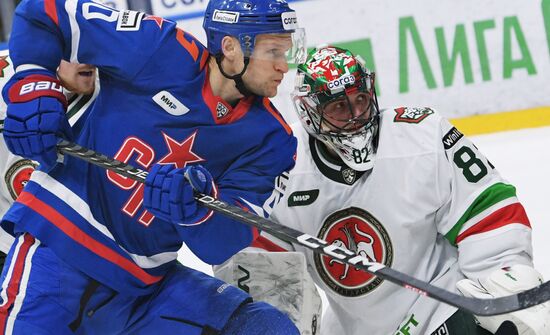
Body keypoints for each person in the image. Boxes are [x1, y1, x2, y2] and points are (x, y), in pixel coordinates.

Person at [0, 0, 305, 333]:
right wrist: (33, 83)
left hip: (143, 290)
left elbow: (223, 243)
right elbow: (42, 12)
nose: (283, 67)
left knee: (263, 329)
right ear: (231, 47)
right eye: (273, 52)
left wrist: (196, 213)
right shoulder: (160, 48)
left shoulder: (271, 140)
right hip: (57, 251)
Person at [215, 46, 550, 335]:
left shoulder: (422, 136)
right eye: (338, 108)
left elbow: (488, 212)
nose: (355, 116)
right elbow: (264, 274)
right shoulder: (280, 167)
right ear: (310, 113)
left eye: (360, 100)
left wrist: (503, 289)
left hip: (445, 311)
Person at [0, 50, 98, 264]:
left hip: (94, 251)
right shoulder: (8, 75)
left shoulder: (119, 88)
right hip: (9, 240)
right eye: (72, 48)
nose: (84, 57)